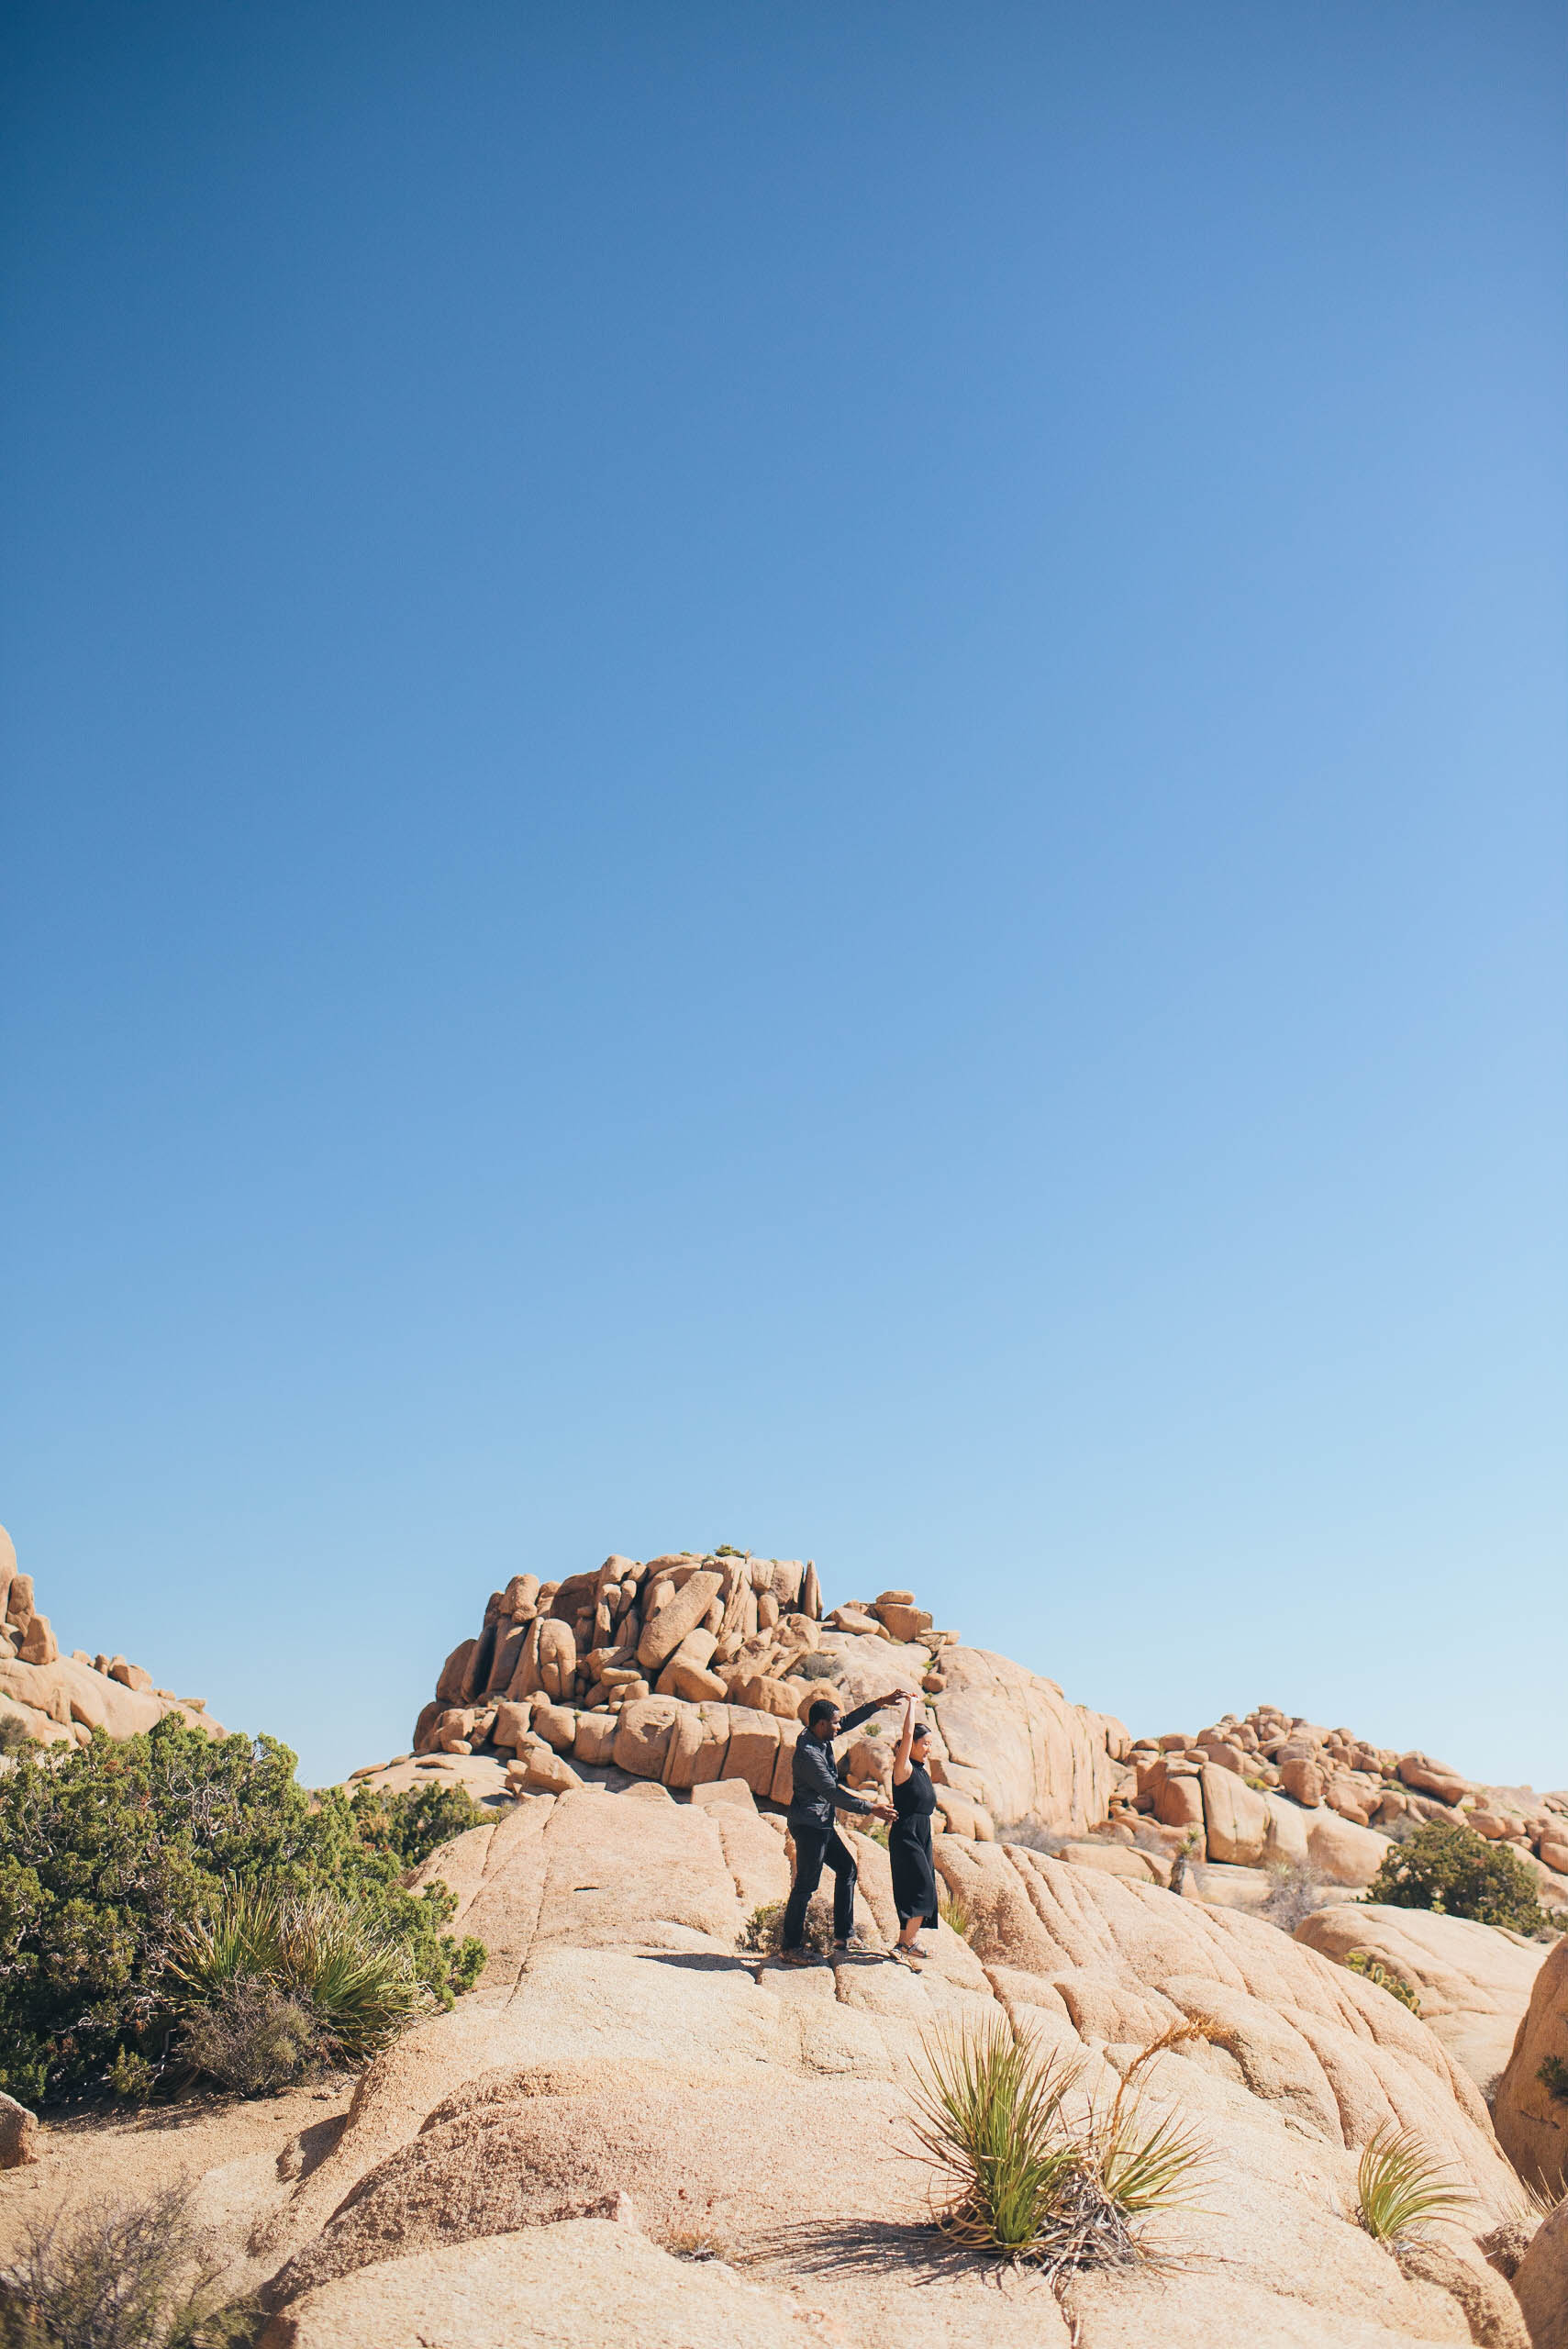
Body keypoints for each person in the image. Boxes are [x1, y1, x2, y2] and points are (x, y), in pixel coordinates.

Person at [779, 1693, 895, 1964]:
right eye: (833, 1724)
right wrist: (871, 1808)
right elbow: (831, 1791)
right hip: (809, 1825)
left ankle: (844, 1936)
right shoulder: (809, 1753)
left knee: (847, 1869)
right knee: (805, 1886)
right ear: (820, 1724)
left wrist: (878, 1703)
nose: (838, 1727)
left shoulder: (820, 1737)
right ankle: (790, 1947)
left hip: (820, 1822)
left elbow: (848, 1720)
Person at [887, 1693, 940, 1965]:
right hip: (907, 1832)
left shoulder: (921, 1770)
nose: (928, 1748)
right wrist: (912, 1706)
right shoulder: (904, 1766)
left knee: (913, 1887)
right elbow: (907, 1734)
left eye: (931, 1744)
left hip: (922, 1832)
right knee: (922, 1887)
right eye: (925, 1743)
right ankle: (909, 1942)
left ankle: (901, 1943)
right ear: (913, 1745)